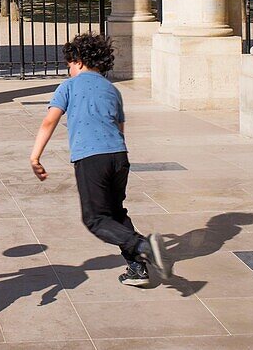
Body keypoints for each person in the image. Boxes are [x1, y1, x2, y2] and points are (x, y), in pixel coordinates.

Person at [29, 32, 170, 288]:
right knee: (115, 213)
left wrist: (35, 156)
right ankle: (138, 267)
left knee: (95, 219)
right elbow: (120, 126)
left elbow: (50, 120)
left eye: (69, 64)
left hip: (91, 158)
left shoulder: (69, 87)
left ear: (79, 61)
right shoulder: (112, 90)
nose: (69, 70)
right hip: (118, 156)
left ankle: (142, 245)